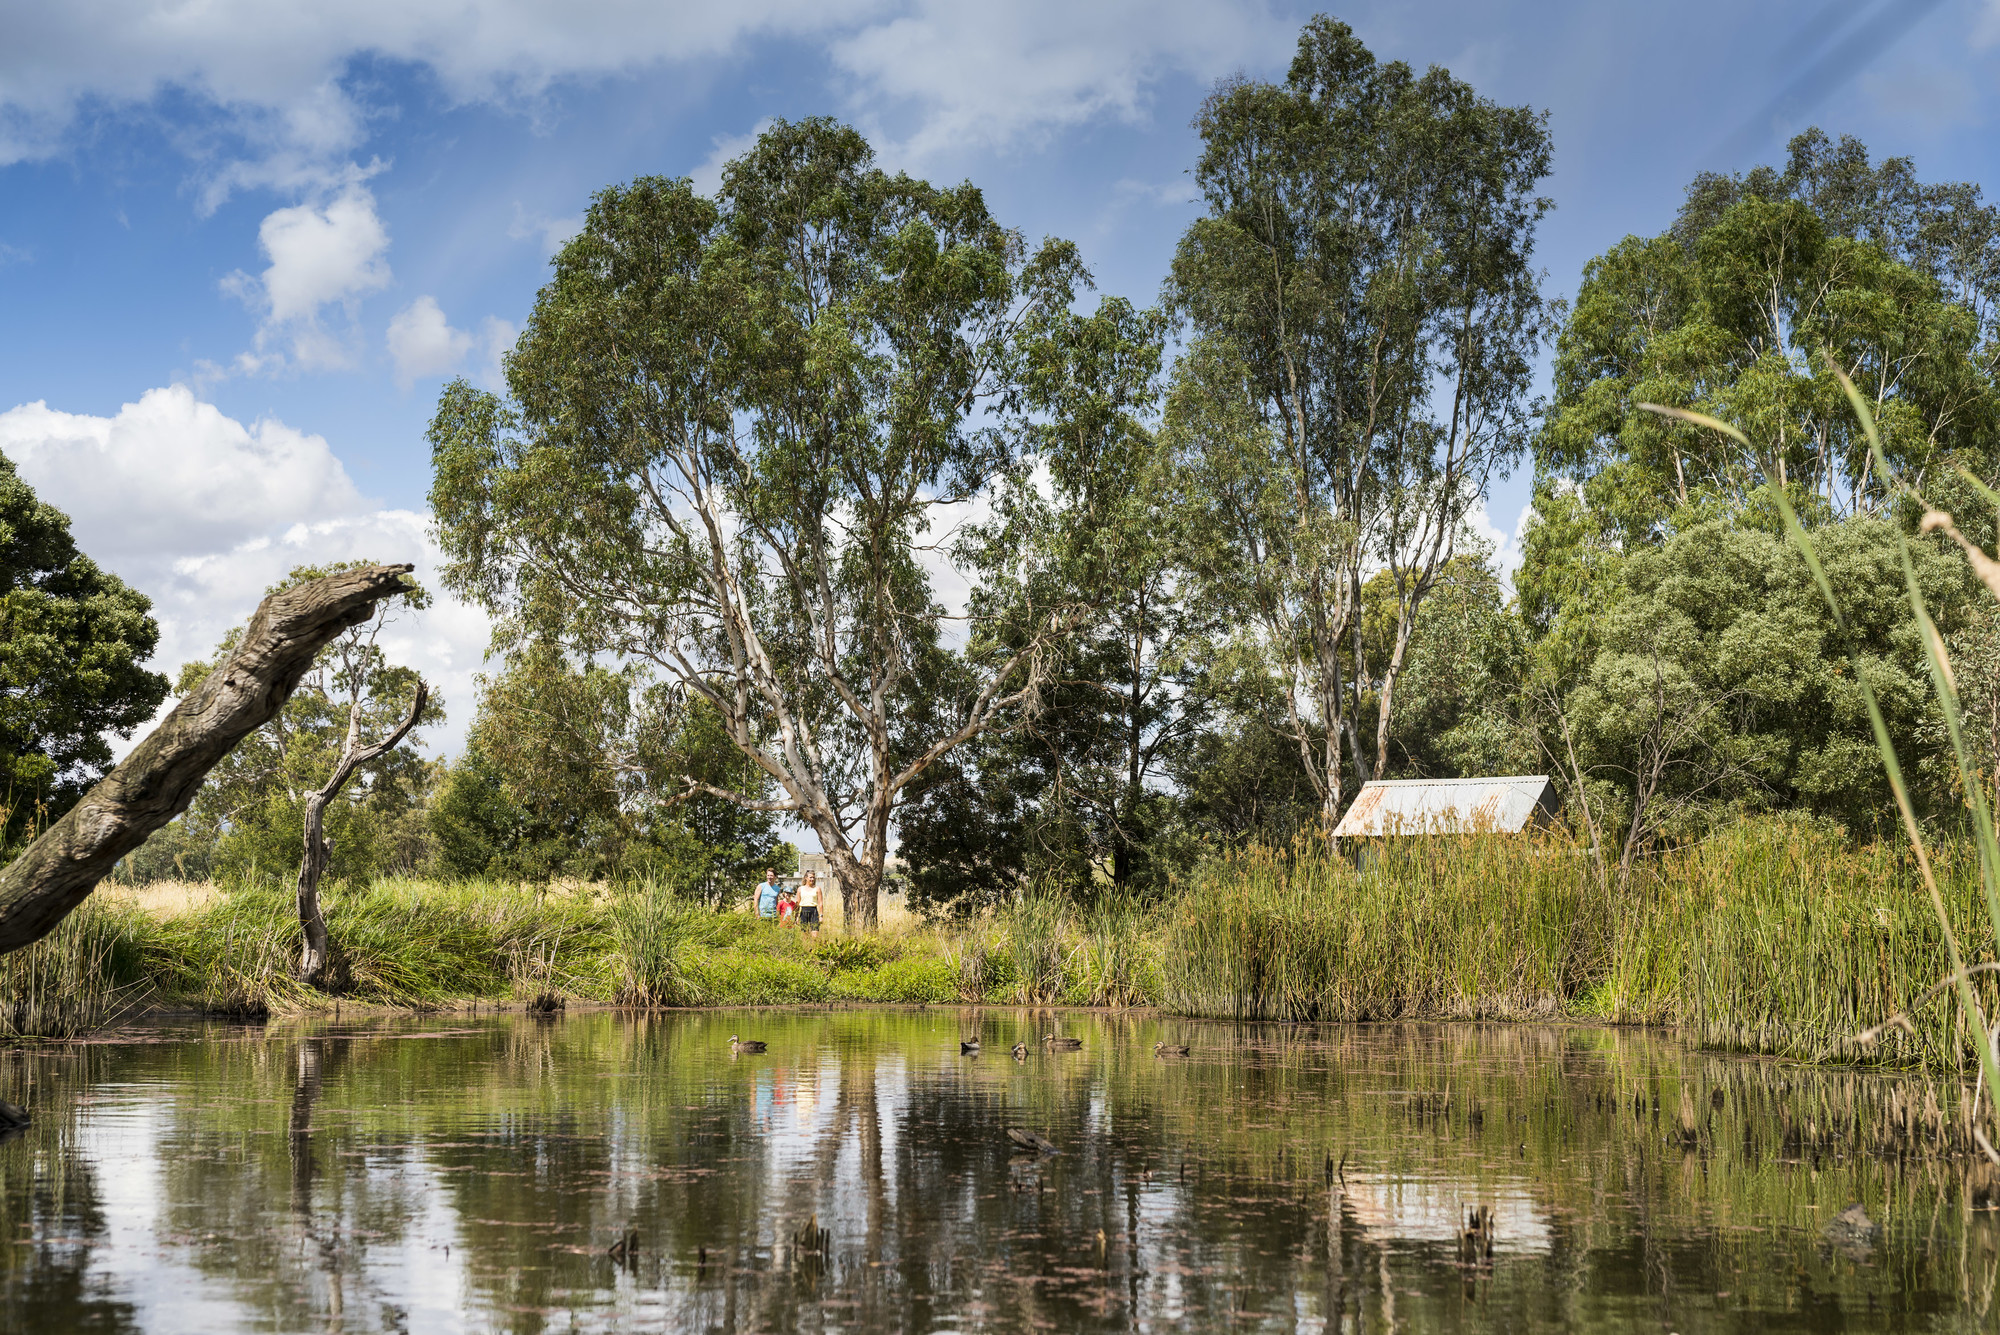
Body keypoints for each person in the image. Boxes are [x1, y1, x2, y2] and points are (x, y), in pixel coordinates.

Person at [797, 869, 823, 935]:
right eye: (810, 877)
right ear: (806, 878)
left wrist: (821, 916)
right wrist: (797, 916)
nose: (812, 879)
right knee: (804, 935)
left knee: (815, 935)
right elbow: (797, 904)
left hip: (813, 911)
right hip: (803, 912)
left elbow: (820, 903)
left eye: (813, 877)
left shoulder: (817, 888)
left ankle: (814, 945)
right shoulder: (800, 889)